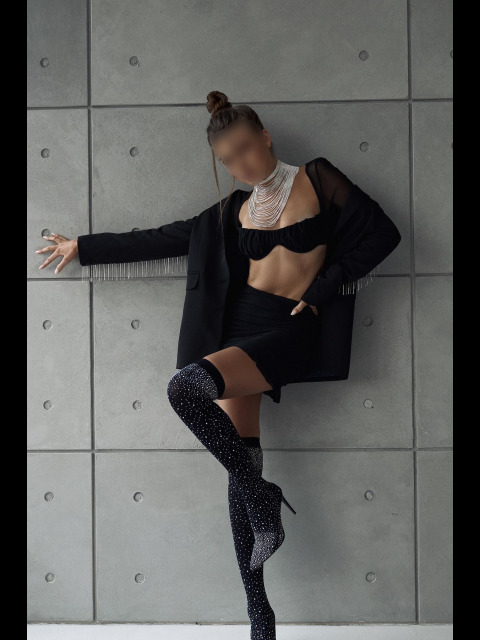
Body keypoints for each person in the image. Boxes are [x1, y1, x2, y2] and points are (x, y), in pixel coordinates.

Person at [35, 90, 402, 640]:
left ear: (265, 137)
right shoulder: (232, 211)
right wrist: (81, 247)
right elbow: (160, 237)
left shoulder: (318, 178)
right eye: (228, 160)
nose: (241, 165)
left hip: (291, 326)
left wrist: (324, 287)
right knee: (240, 461)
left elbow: (383, 233)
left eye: (246, 149)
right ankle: (260, 617)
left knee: (183, 390)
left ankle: (263, 498)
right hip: (237, 333)